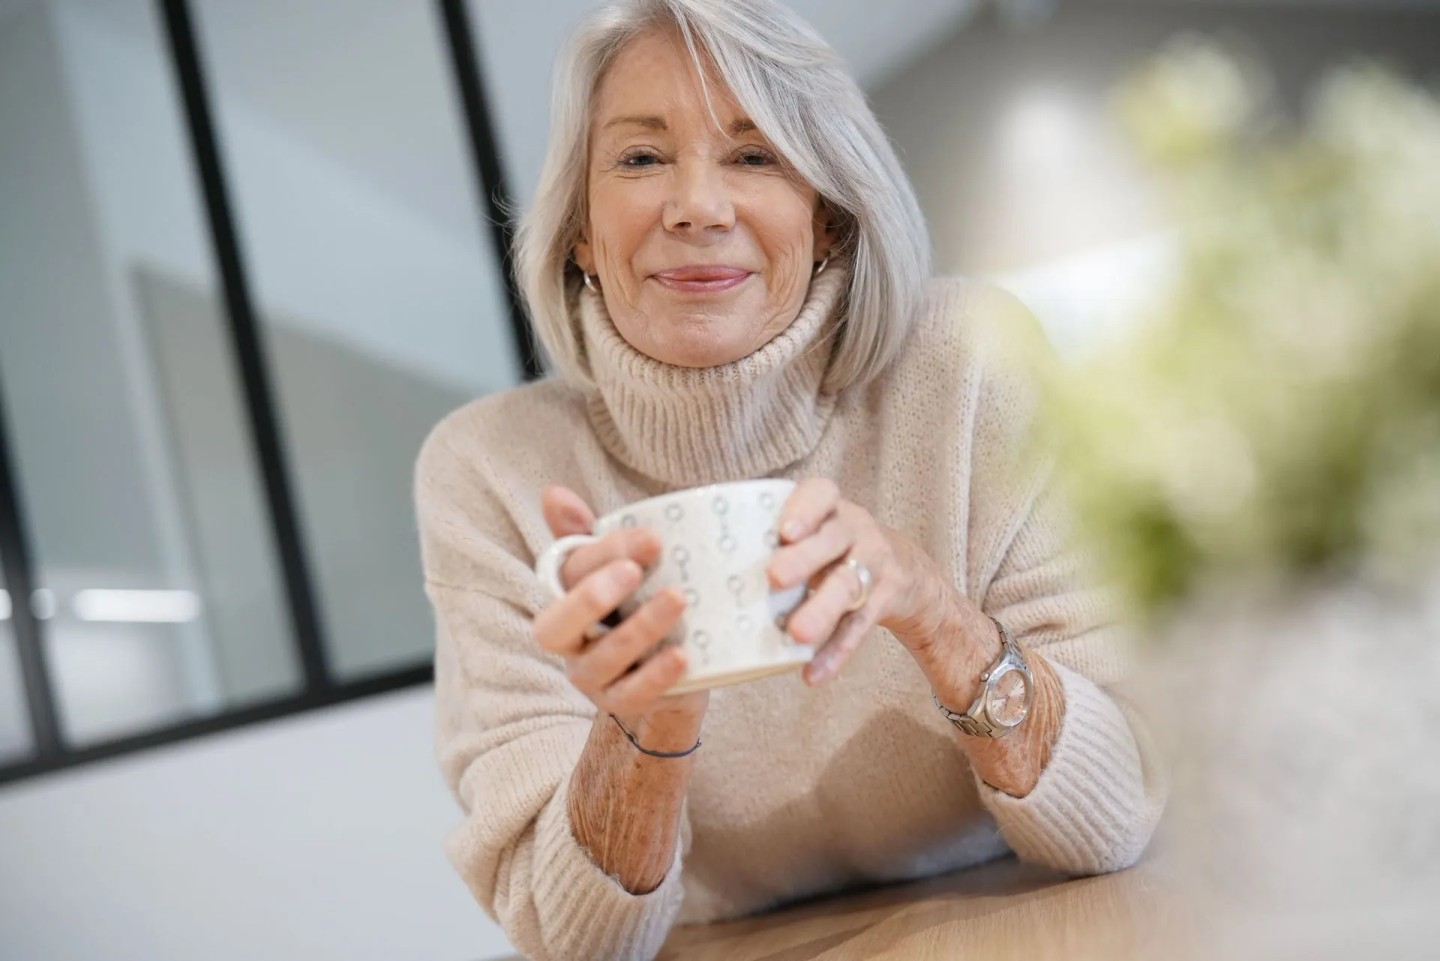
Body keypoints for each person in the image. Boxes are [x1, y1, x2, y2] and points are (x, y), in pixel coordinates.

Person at [413, 2, 1166, 959]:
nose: (696, 206)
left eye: (754, 155)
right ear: (579, 235)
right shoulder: (490, 471)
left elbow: (1117, 812)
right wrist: (645, 718)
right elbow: (577, 941)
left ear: (830, 222)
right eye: (640, 158)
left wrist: (935, 613)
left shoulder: (972, 362)